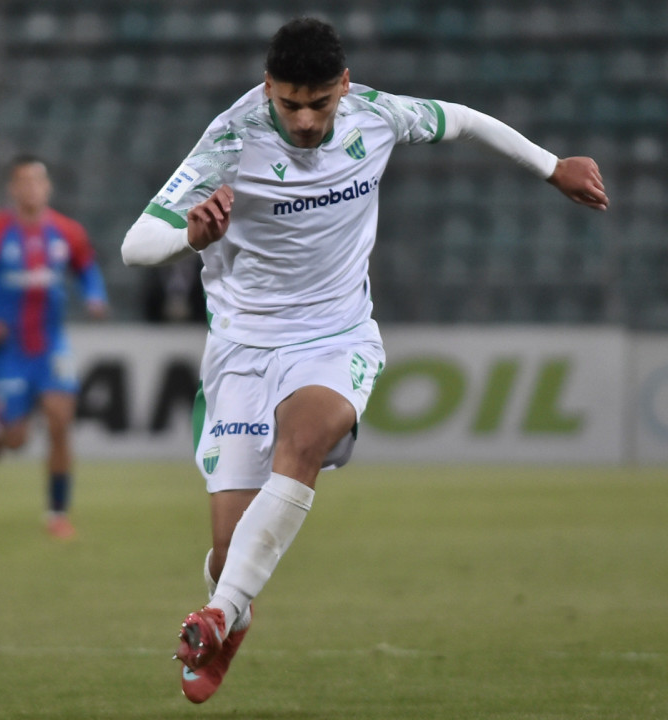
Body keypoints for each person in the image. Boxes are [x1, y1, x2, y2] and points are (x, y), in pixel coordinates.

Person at [121, 17, 607, 705]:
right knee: (230, 556)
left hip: (336, 335)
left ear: (343, 86)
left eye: (320, 103)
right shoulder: (230, 138)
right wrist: (192, 236)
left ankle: (218, 616)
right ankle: (233, 606)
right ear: (268, 87)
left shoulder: (377, 115)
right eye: (291, 103)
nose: (306, 120)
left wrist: (552, 167)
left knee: (305, 439)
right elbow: (136, 245)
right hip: (243, 349)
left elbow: (464, 120)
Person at [0, 155, 109, 540]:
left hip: (51, 344)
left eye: (38, 181)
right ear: (12, 189)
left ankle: (57, 513)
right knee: (16, 440)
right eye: (24, 181)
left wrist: (94, 296)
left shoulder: (67, 232)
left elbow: (87, 268)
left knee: (60, 418)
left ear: (47, 187)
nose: (32, 188)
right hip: (9, 349)